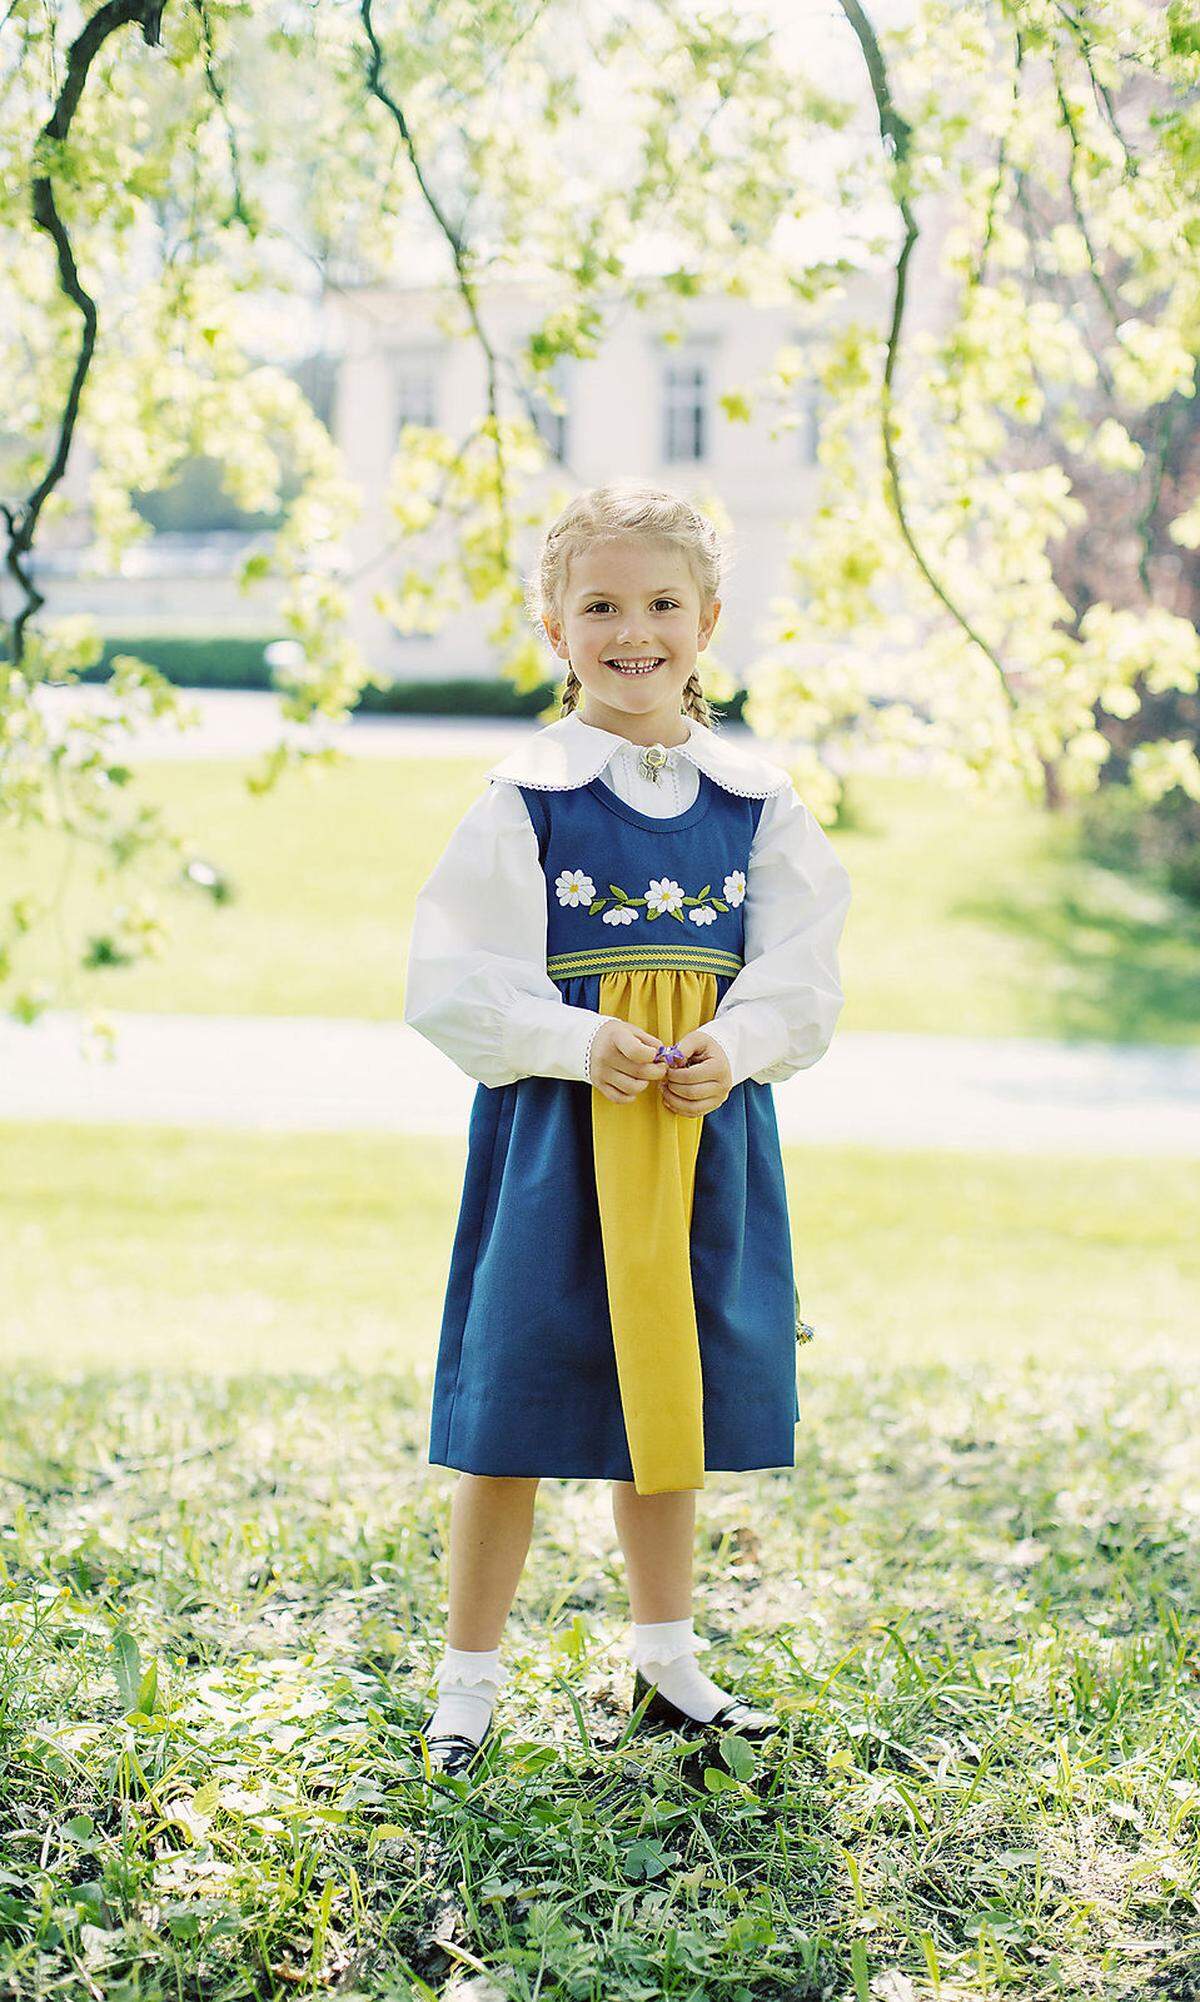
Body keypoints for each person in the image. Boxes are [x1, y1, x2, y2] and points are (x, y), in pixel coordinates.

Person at [403, 480, 852, 1776]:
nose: (632, 629)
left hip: (697, 1130)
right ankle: (467, 1677)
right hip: (559, 1136)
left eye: (662, 603)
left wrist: (739, 1041)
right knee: (517, 1391)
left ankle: (667, 1658)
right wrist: (569, 1036)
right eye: (600, 604)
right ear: (555, 624)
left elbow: (803, 968)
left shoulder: (755, 797)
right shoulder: (524, 798)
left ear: (708, 618)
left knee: (673, 1395)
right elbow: (454, 977)